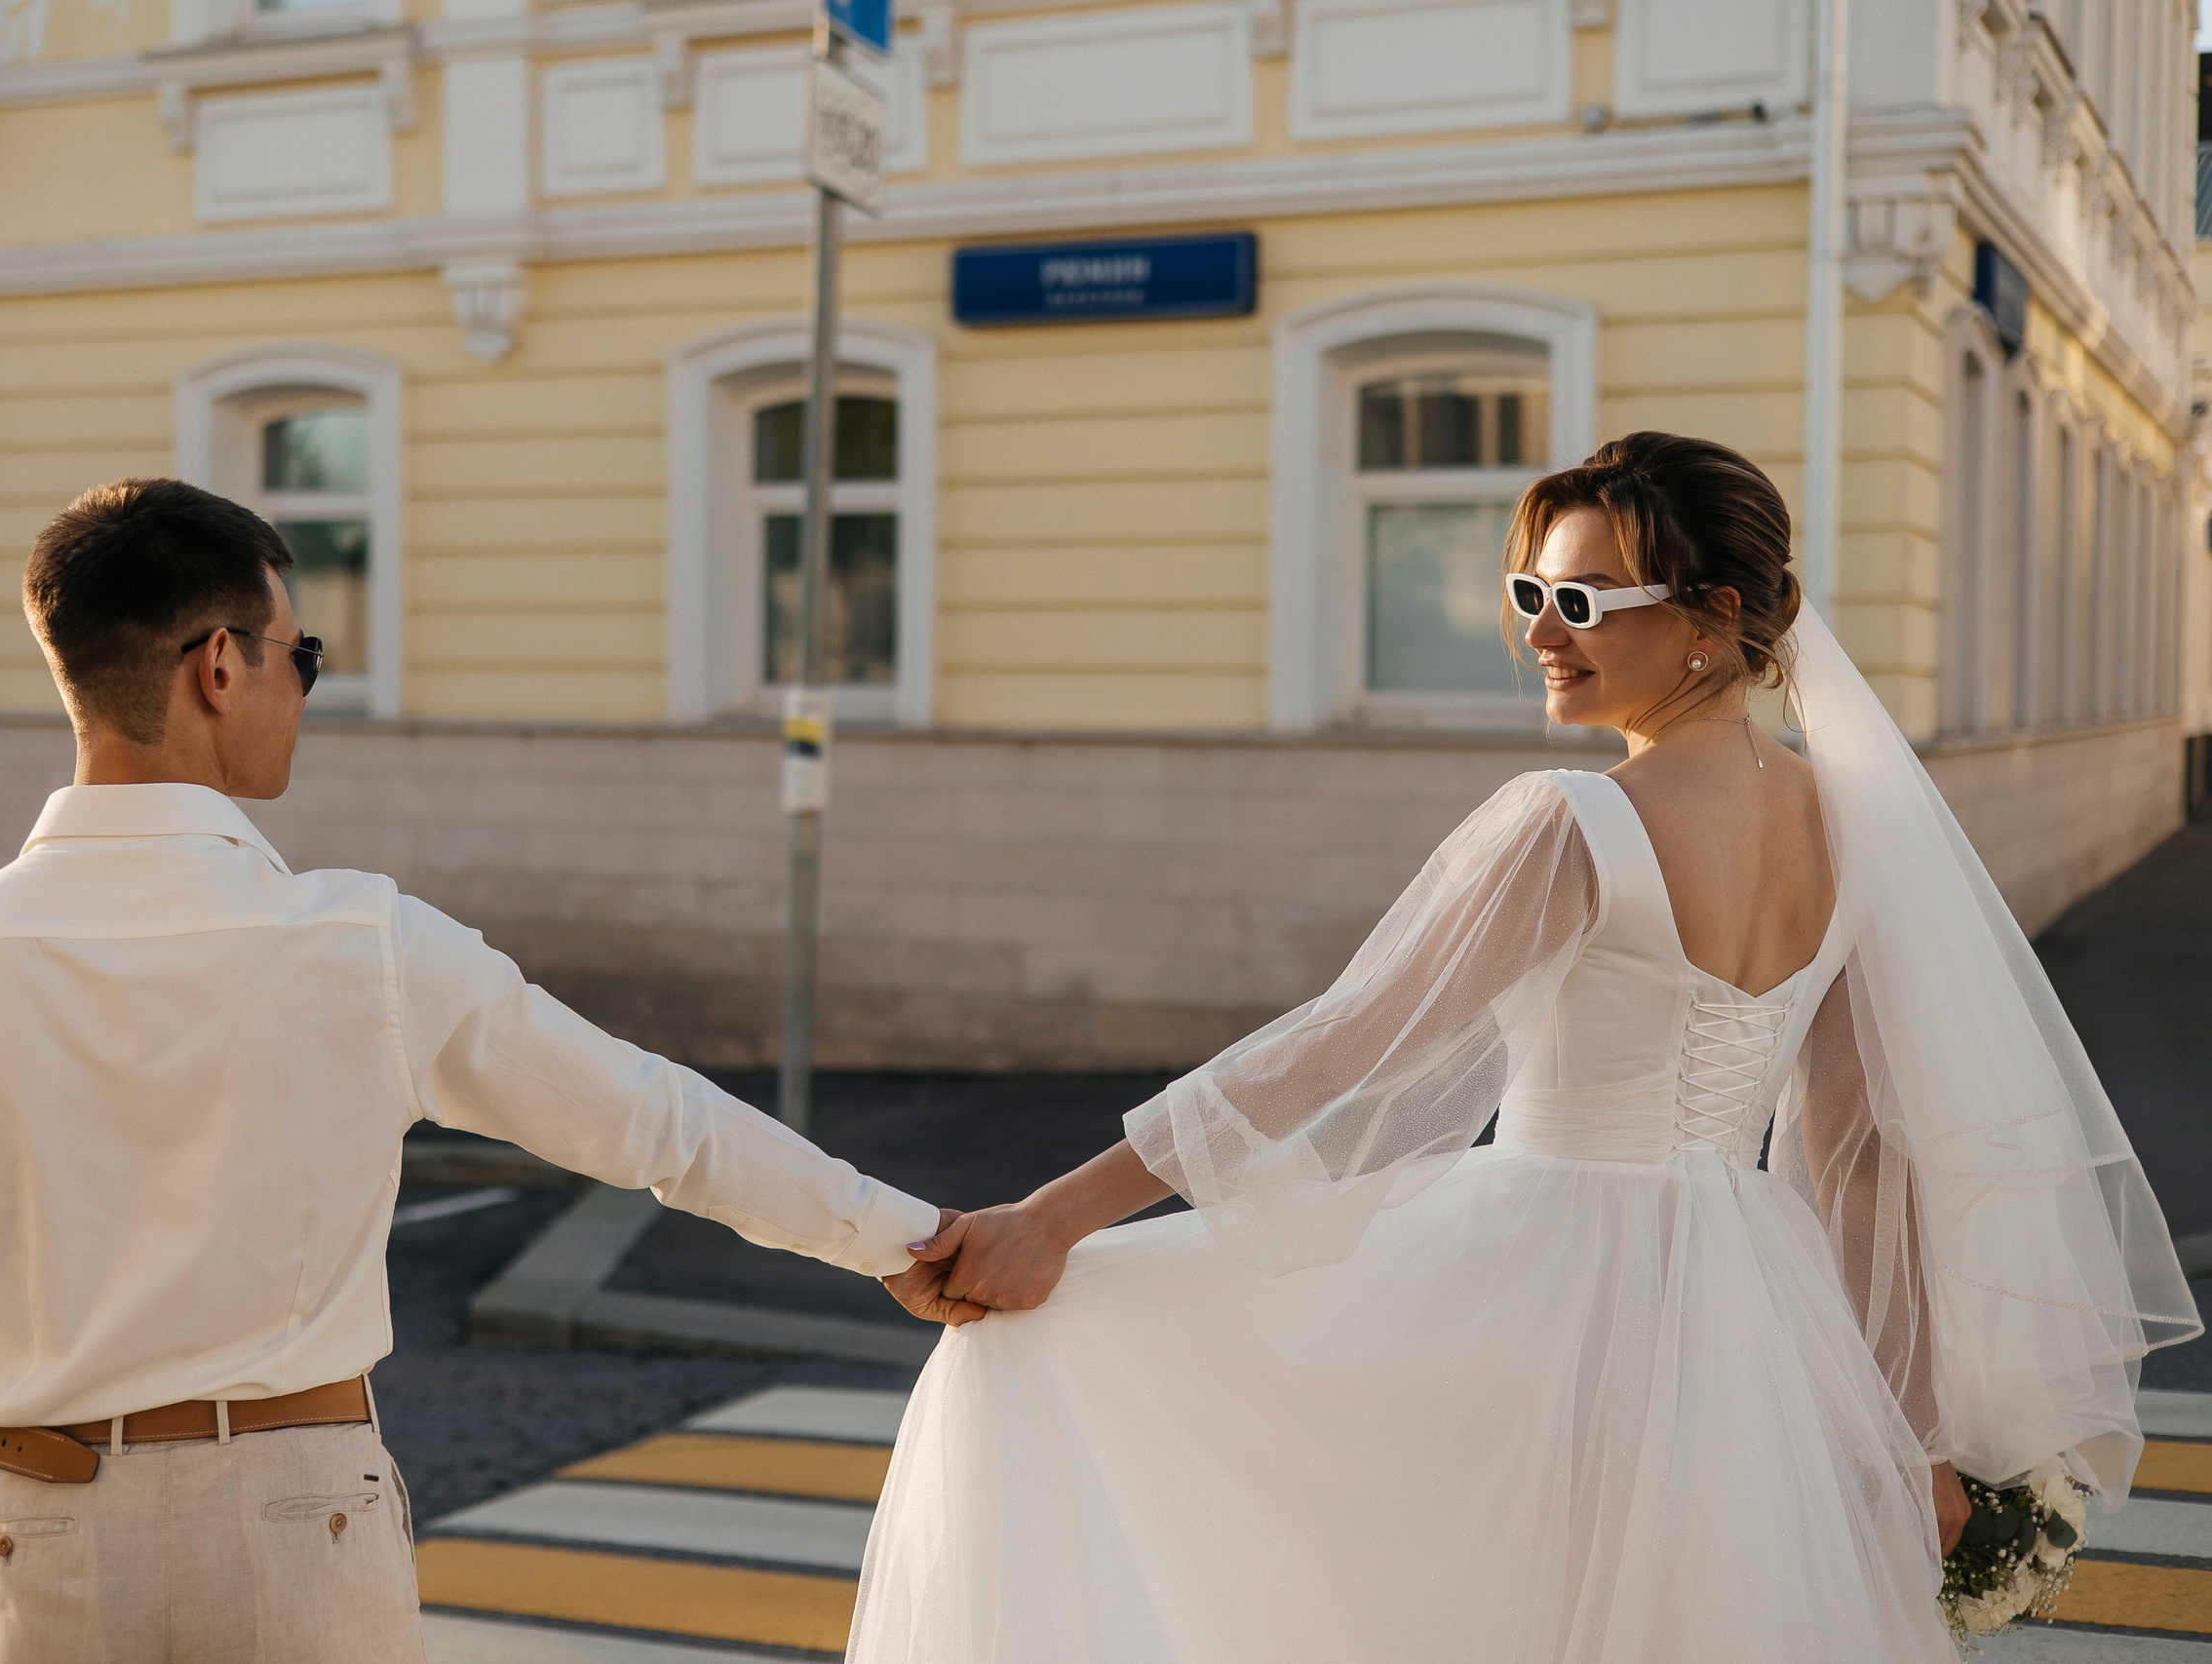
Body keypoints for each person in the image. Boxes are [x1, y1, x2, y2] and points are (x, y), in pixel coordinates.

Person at [853, 433, 2201, 1662]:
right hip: (1755, 1309)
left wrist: (1053, 1215)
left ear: (1714, 617)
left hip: (1544, 1284)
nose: (1543, 635)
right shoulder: (1849, 823)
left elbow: (1341, 1049)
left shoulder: (1565, 819)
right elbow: (1854, 1149)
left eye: (1584, 603)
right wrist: (1905, 1432)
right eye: (1531, 597)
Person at [0, 477, 977, 1664]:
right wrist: (908, 1237)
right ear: (218, 665)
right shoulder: (364, 944)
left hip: (39, 1526)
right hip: (298, 1521)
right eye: (296, 654)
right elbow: (654, 1124)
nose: (302, 688)